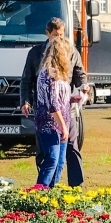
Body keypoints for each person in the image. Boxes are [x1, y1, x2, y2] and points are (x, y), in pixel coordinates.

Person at [21, 17, 87, 181]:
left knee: (69, 150)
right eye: (56, 35)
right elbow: (27, 80)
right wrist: (25, 100)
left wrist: (83, 88)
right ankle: (44, 188)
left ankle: (73, 184)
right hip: (49, 113)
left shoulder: (71, 51)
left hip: (67, 109)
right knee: (49, 155)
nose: (60, 38)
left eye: (62, 34)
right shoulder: (37, 54)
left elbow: (80, 75)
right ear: (48, 33)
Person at [33, 36, 74, 187]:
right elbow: (52, 103)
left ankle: (50, 191)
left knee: (60, 162)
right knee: (52, 159)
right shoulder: (49, 73)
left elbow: (61, 98)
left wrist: (74, 98)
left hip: (61, 122)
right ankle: (39, 192)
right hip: (49, 123)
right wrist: (63, 126)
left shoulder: (60, 75)